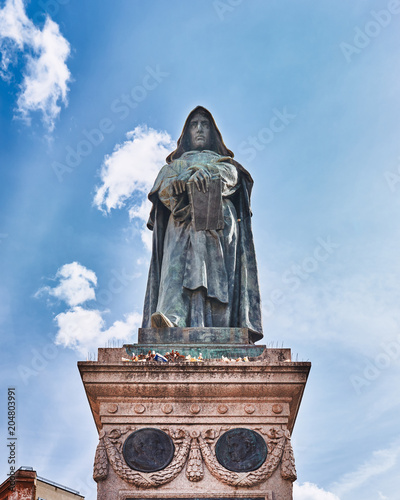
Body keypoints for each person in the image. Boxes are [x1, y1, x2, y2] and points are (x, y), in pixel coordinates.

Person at [142, 106, 263, 343]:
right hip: (181, 228)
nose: (199, 129)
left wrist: (203, 173)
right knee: (175, 271)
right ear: (186, 133)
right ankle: (172, 318)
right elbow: (163, 193)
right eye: (194, 124)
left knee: (218, 276)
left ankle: (222, 326)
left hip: (219, 227)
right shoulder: (172, 167)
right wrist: (181, 182)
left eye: (204, 124)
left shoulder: (226, 163)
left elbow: (232, 179)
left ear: (213, 132)